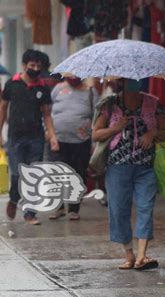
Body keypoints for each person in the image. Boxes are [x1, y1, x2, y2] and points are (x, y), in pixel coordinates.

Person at [92, 78, 165, 271]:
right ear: (122, 83)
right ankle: (129, 254)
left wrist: (152, 134)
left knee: (145, 207)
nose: (135, 83)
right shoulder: (109, 104)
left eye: (138, 80)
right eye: (130, 81)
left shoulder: (152, 102)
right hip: (117, 166)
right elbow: (96, 134)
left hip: (145, 166)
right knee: (118, 210)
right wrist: (116, 128)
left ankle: (142, 255)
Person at [0, 49, 59, 225]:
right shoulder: (11, 84)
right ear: (24, 66)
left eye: (38, 66)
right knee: (16, 175)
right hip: (15, 137)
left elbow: (46, 114)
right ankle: (14, 199)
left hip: (36, 137)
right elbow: (2, 109)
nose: (35, 68)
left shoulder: (43, 87)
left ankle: (30, 213)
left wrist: (52, 136)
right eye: (32, 65)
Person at [48, 76, 94, 221]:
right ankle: (59, 207)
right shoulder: (58, 89)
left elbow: (98, 116)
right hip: (58, 140)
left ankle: (74, 208)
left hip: (81, 141)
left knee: (78, 173)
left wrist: (94, 141)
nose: (73, 77)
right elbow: (46, 111)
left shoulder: (90, 92)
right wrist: (48, 132)